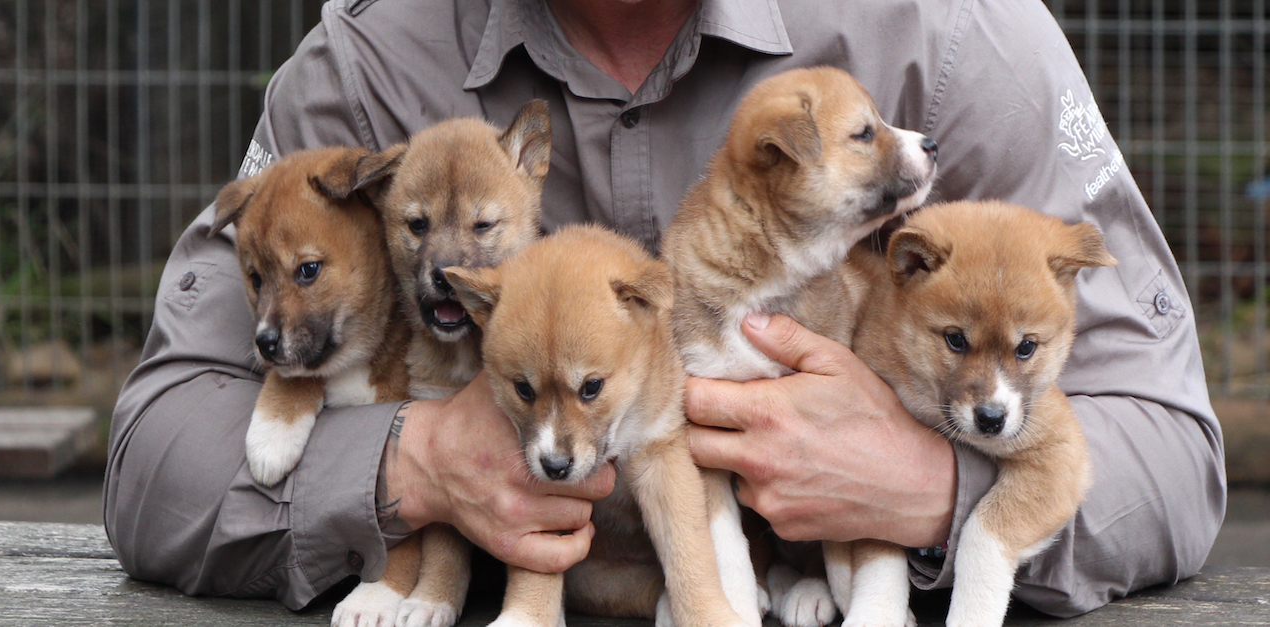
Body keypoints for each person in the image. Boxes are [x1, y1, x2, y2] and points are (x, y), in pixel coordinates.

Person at [105, 0, 1224, 618]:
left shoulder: (947, 35)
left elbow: (1168, 443)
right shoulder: (366, 67)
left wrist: (936, 488)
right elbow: (161, 449)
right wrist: (417, 462)